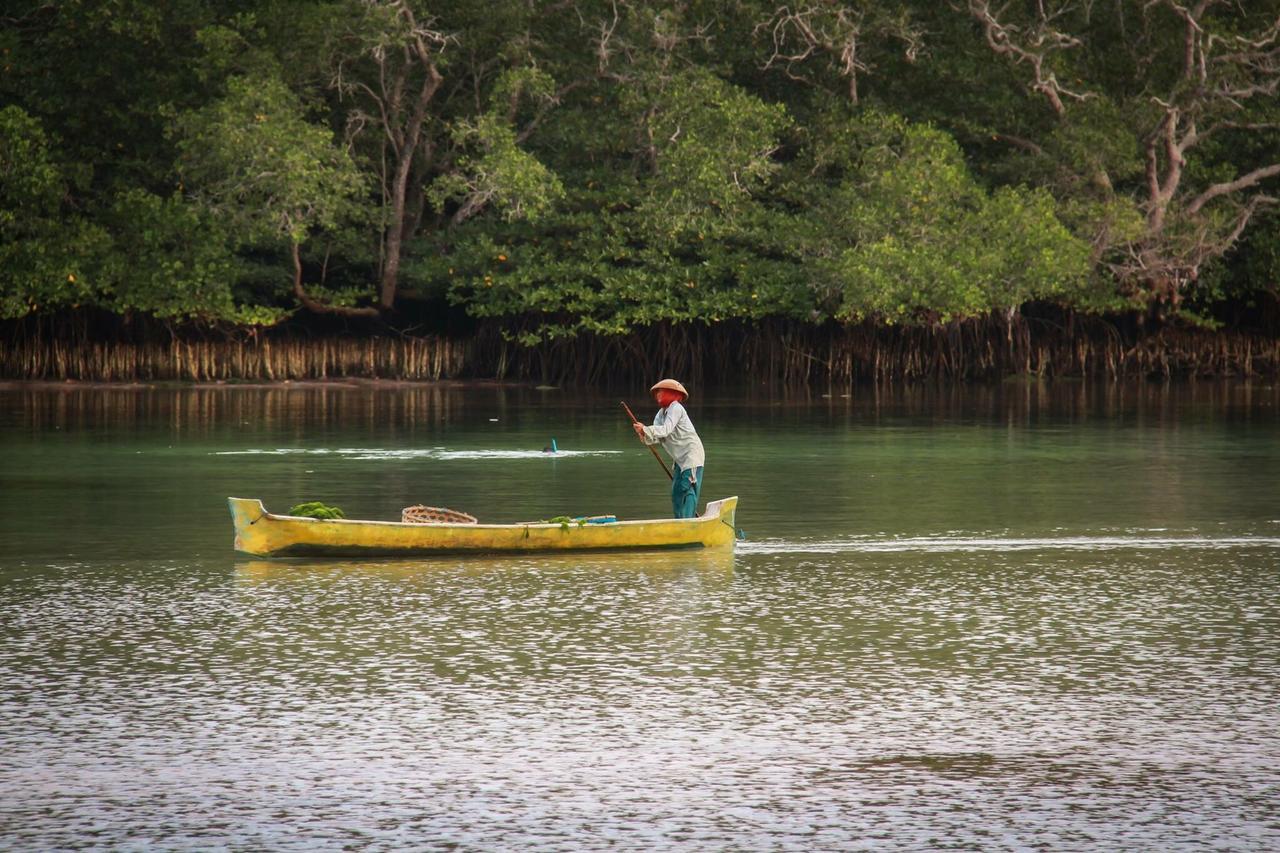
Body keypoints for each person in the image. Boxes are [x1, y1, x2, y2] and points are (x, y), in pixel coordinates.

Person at [633, 379, 705, 519]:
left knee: (686, 487)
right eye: (657, 392)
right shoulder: (660, 414)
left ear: (675, 395)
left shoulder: (676, 407)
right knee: (676, 492)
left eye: (662, 391)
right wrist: (643, 433)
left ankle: (688, 521)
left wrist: (646, 429)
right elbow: (656, 437)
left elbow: (666, 430)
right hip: (679, 459)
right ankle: (679, 522)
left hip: (691, 456)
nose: (658, 394)